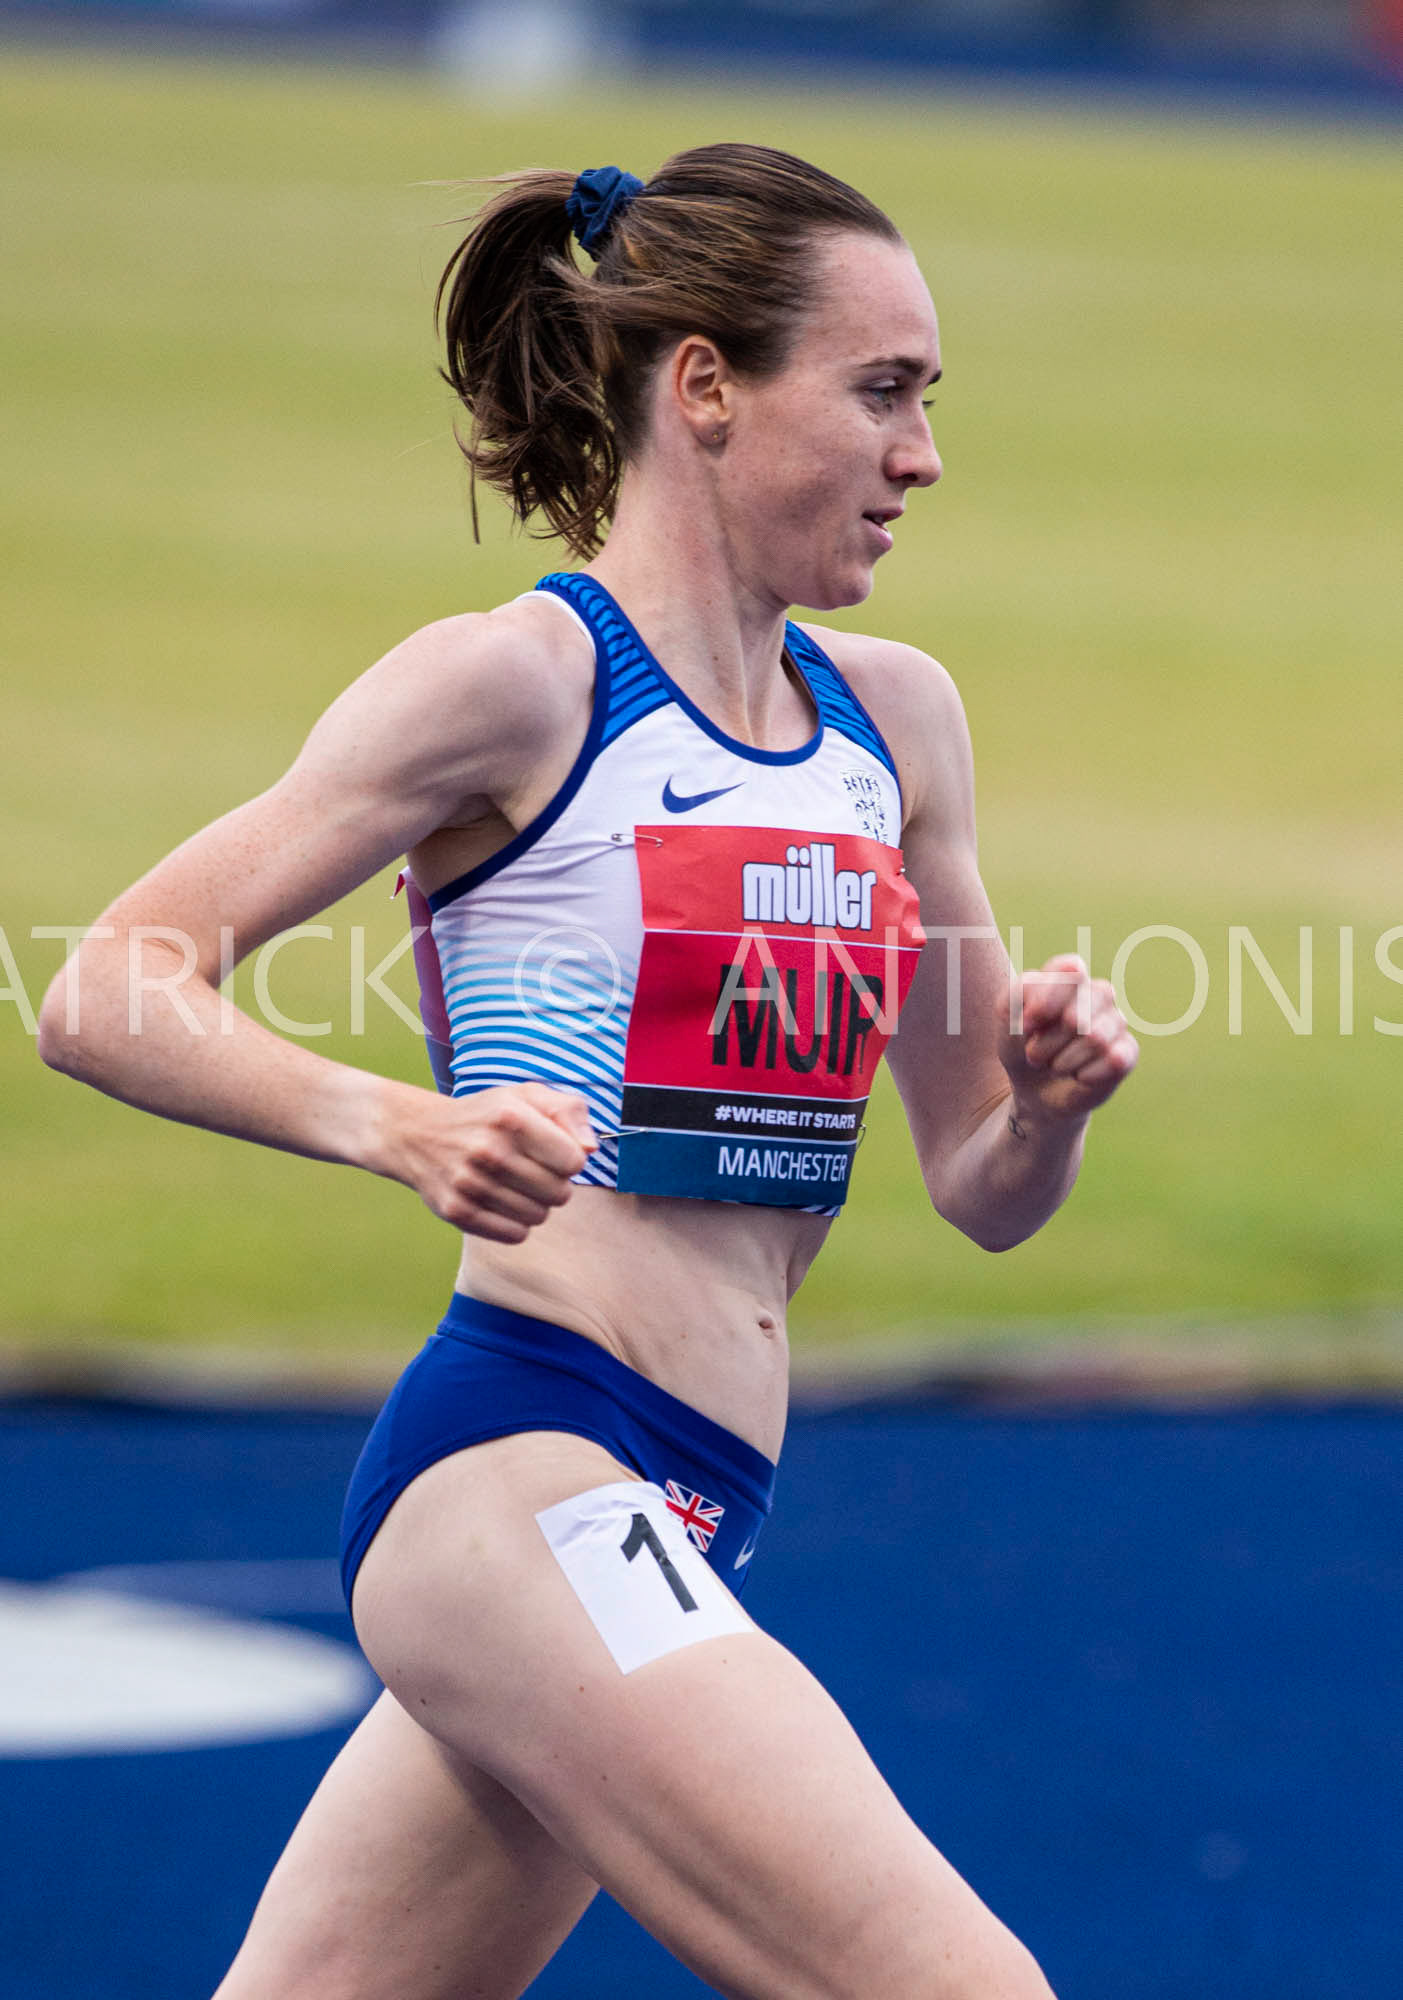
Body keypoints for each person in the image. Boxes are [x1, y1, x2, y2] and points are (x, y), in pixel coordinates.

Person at [39, 144, 1137, 2000]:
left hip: (701, 1495)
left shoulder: (901, 725)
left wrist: (1044, 1104)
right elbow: (106, 987)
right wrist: (399, 1124)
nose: (922, 454)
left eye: (929, 401)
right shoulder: (520, 686)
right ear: (705, 385)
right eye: (882, 393)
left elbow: (981, 1191)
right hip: (525, 1469)